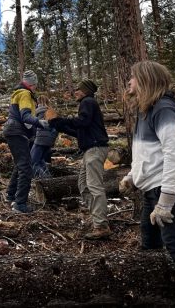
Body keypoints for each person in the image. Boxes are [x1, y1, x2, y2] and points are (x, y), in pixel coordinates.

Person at [119, 60, 175, 308]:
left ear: (147, 80)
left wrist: (166, 201)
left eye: (133, 77)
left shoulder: (164, 109)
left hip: (168, 189)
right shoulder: (146, 109)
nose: (129, 82)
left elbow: (174, 154)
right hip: (152, 189)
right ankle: (158, 288)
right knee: (150, 242)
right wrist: (131, 177)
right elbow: (147, 154)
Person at [48, 80, 110, 239]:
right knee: (83, 185)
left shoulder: (88, 102)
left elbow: (83, 122)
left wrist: (60, 119)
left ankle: (101, 226)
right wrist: (57, 124)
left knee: (94, 187)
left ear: (86, 91)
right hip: (90, 150)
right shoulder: (88, 103)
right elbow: (80, 131)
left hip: (95, 149)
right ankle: (98, 218)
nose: (75, 91)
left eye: (78, 89)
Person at [3, 70, 49, 213]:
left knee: (20, 165)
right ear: (31, 84)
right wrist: (41, 123)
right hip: (17, 132)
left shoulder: (17, 93)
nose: (35, 87)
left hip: (13, 131)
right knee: (26, 167)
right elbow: (25, 116)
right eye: (34, 84)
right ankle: (20, 204)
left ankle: (11, 195)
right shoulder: (25, 94)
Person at [31, 96, 58, 178]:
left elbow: (35, 125)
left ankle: (45, 179)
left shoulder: (39, 111)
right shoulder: (52, 111)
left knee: (33, 162)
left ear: (38, 102)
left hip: (40, 139)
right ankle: (49, 179)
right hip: (49, 140)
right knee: (41, 160)